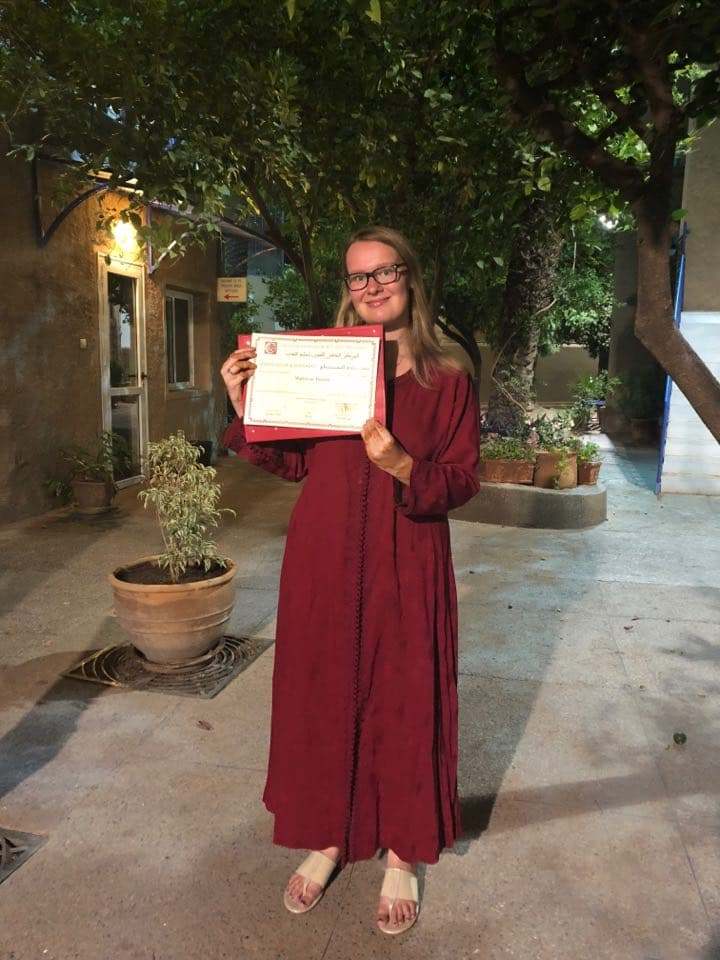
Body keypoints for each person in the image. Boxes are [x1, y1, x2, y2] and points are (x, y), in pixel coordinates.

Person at [220, 225, 480, 935]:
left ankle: (401, 850)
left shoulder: (447, 376)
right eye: (359, 276)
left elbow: (462, 479)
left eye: (385, 271)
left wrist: (403, 466)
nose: (372, 286)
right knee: (323, 690)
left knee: (404, 692)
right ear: (348, 287)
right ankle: (328, 835)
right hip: (324, 554)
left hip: (409, 553)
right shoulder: (324, 363)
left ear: (410, 276)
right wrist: (247, 411)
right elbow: (294, 462)